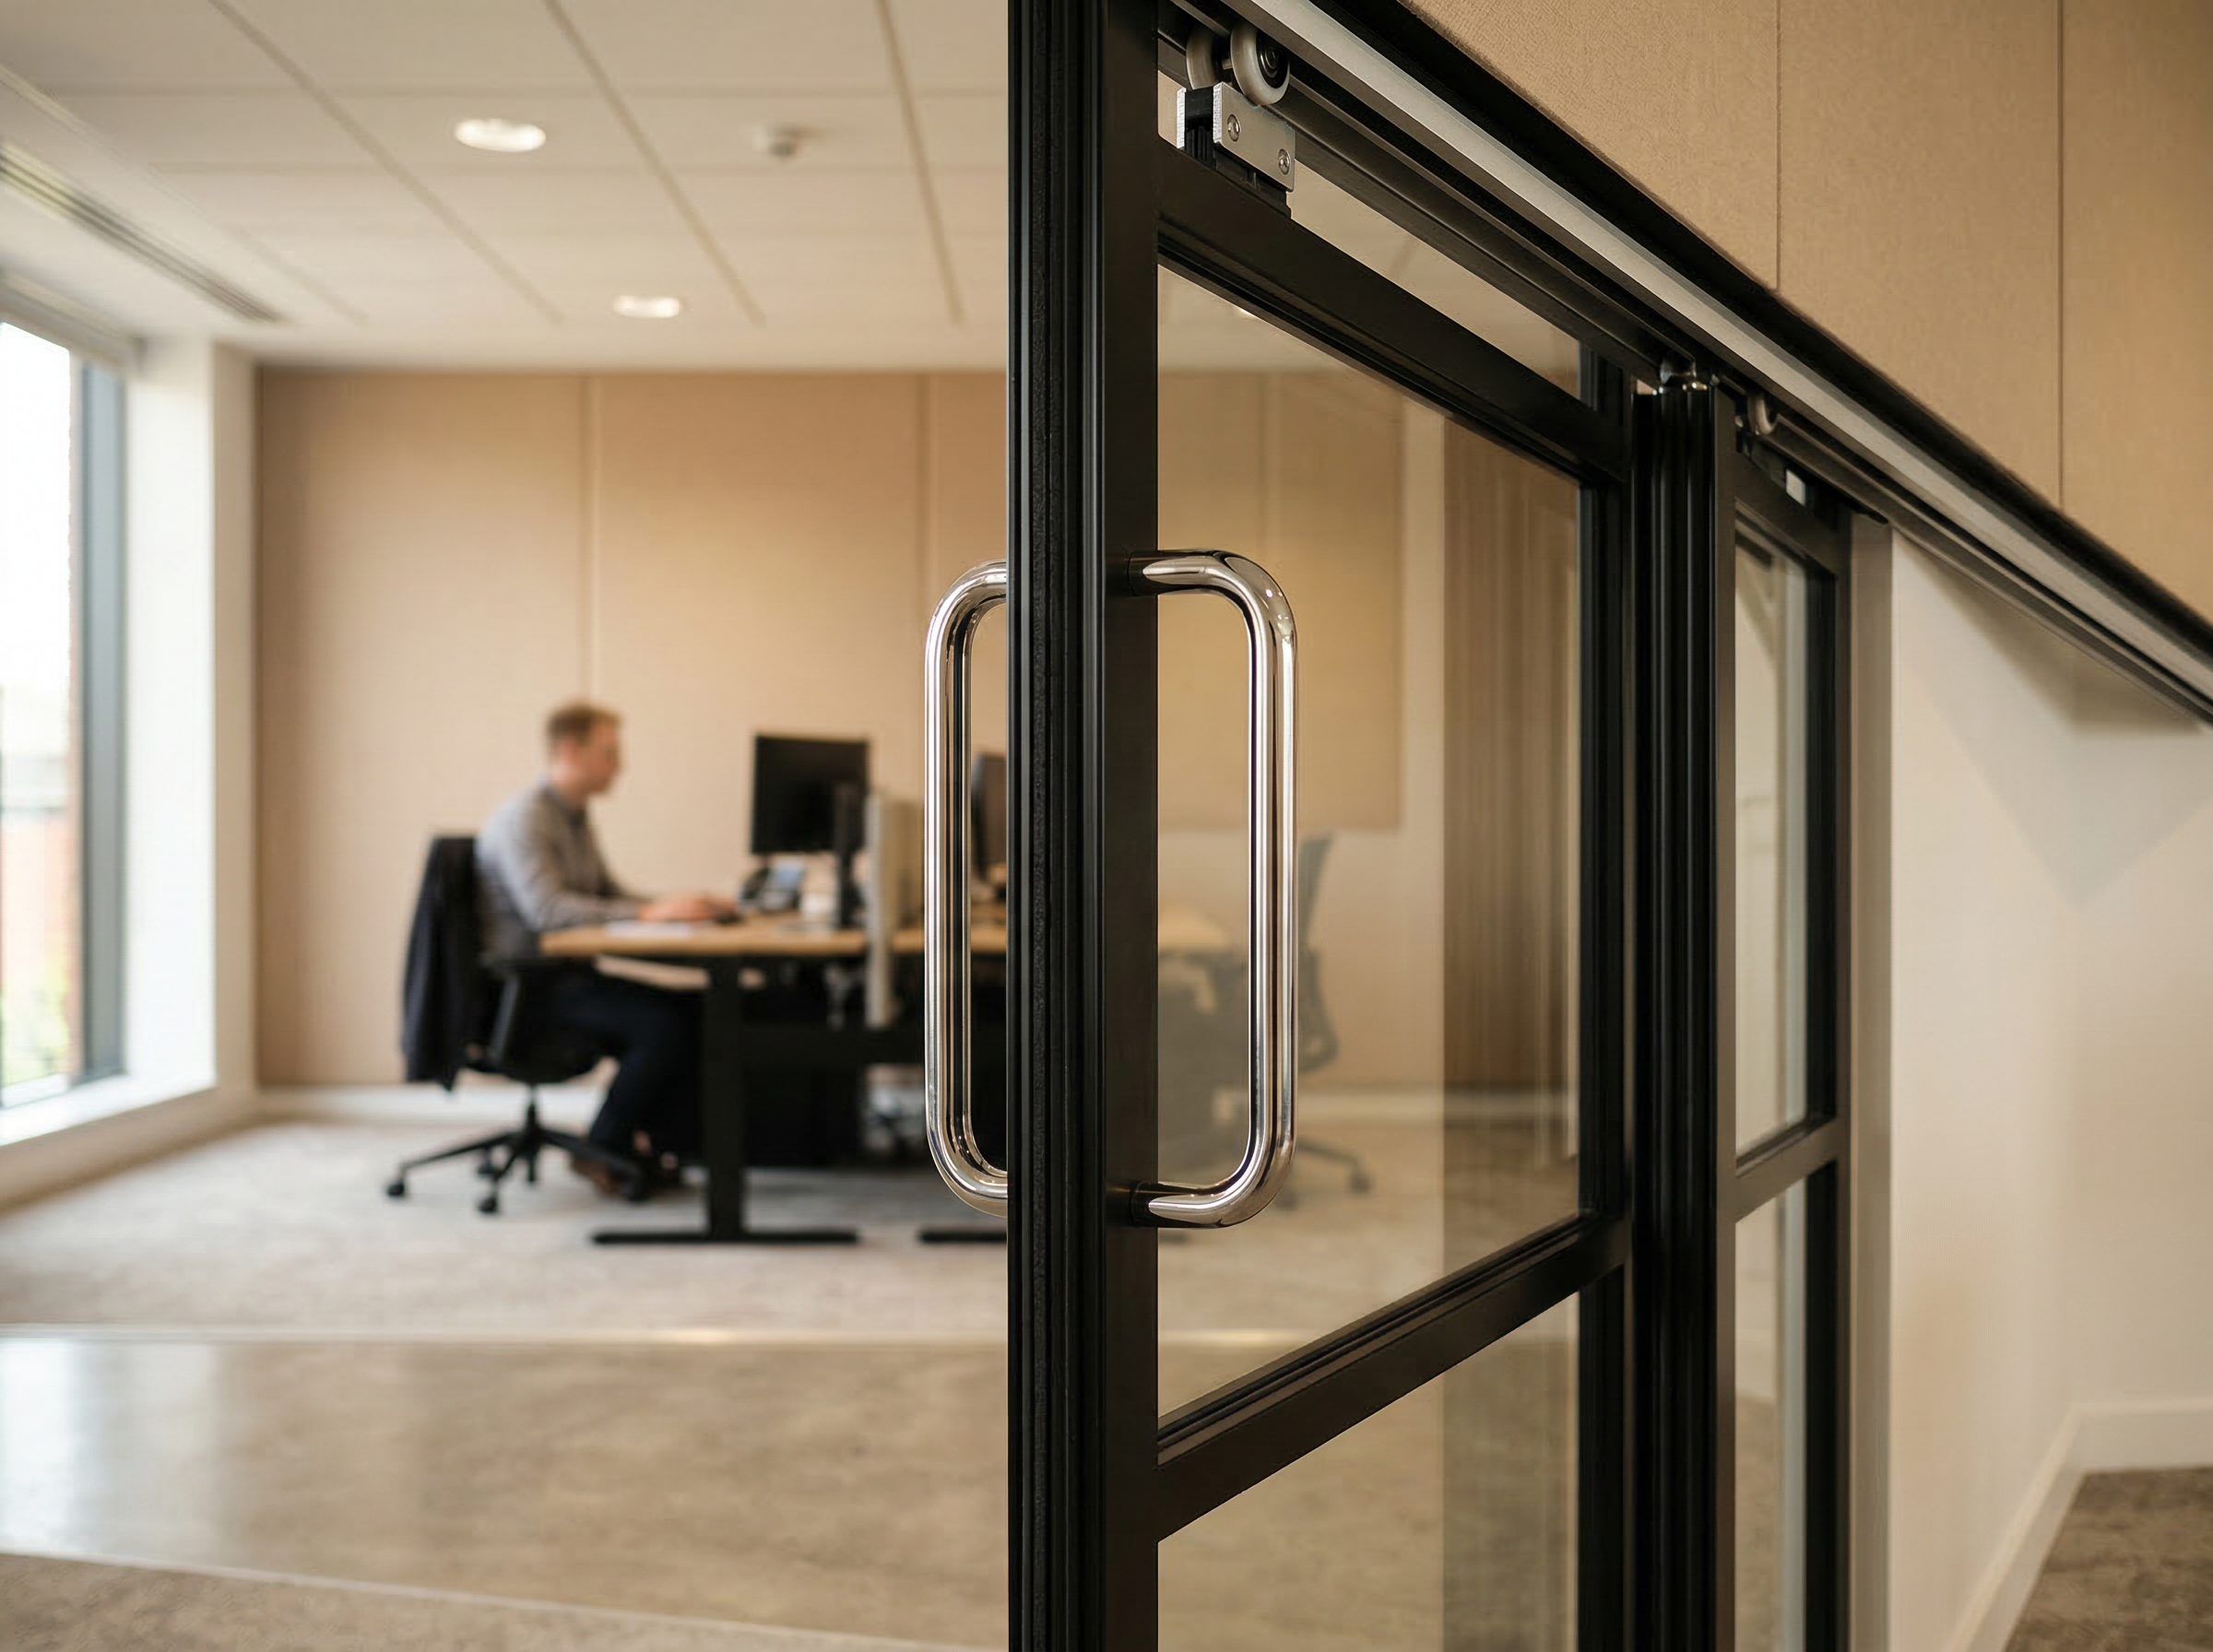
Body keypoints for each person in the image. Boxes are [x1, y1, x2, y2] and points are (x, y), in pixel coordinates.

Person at [476, 701, 734, 1194]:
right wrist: (649, 915)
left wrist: (672, 905)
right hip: (531, 991)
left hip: (572, 979)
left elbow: (606, 895)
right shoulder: (525, 819)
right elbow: (548, 911)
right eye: (610, 753)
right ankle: (604, 1147)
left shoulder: (572, 817)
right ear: (571, 751)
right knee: (661, 1026)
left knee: (697, 1008)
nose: (621, 765)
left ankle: (659, 1145)